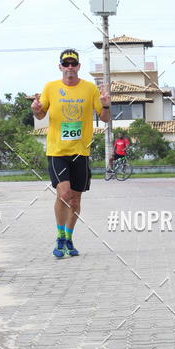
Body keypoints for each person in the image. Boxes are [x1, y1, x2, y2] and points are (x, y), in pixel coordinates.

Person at [31, 48, 111, 259]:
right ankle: (59, 237)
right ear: (60, 67)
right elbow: (40, 114)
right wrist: (36, 108)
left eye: (72, 64)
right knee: (63, 194)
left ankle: (68, 237)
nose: (69, 68)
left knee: (75, 199)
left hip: (81, 152)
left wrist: (106, 104)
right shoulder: (51, 87)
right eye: (65, 64)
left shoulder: (89, 89)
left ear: (78, 67)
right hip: (57, 151)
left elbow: (104, 118)